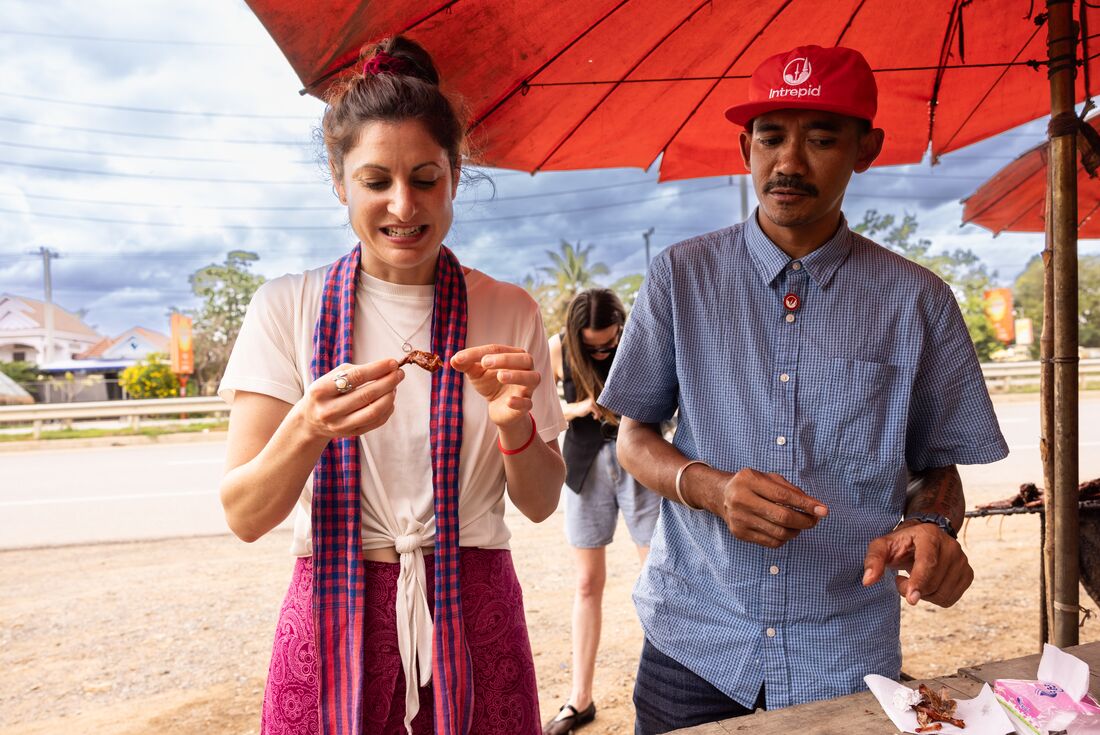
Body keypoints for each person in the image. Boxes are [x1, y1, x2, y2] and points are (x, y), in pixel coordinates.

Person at [596, 45, 1009, 734]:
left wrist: (934, 526)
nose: (789, 161)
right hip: (696, 641)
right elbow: (632, 439)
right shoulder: (680, 277)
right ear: (745, 146)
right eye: (771, 136)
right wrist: (710, 487)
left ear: (866, 149)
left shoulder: (917, 302)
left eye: (821, 138)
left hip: (845, 652)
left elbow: (939, 467)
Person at [217, 36, 566, 735]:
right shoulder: (289, 307)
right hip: (333, 615)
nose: (403, 206)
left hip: (474, 615)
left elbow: (539, 502)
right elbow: (246, 514)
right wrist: (308, 425)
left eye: (426, 177)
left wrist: (513, 427)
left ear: (457, 174)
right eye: (376, 180)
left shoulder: (508, 311)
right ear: (340, 181)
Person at [542, 289, 660, 735]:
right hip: (585, 467)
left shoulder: (638, 339)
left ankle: (660, 690)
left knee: (656, 579)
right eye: (592, 347)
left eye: (608, 343)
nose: (601, 350)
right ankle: (580, 699)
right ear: (576, 337)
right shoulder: (556, 347)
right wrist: (579, 408)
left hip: (639, 464)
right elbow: (545, 407)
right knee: (587, 582)